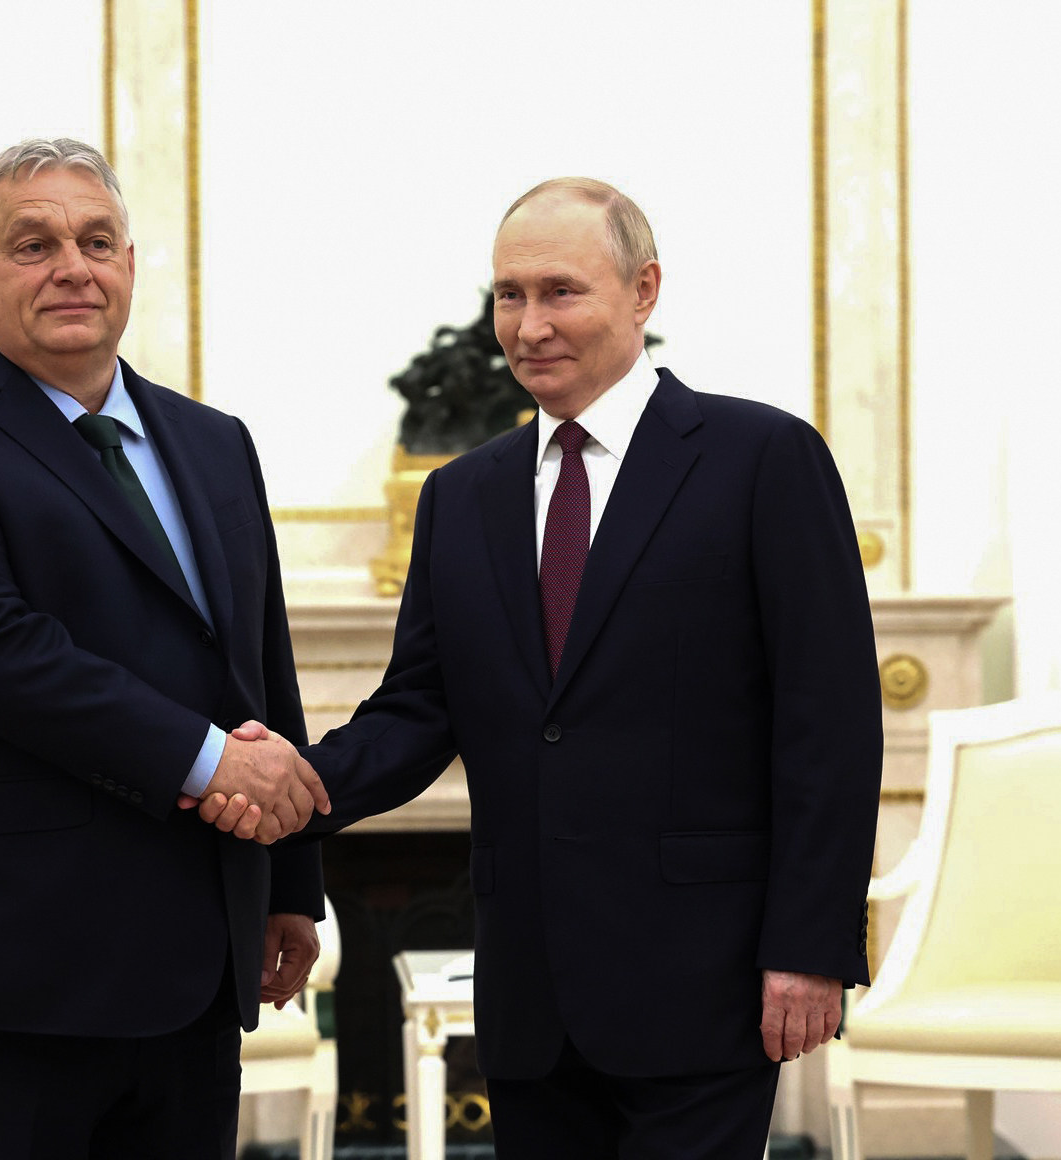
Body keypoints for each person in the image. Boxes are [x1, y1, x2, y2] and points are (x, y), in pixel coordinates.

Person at [194, 178, 882, 1158]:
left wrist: (810, 948)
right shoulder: (460, 498)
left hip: (704, 977)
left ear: (643, 290)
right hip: (530, 992)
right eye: (508, 295)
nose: (528, 324)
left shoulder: (763, 458)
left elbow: (831, 722)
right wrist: (288, 782)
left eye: (561, 290)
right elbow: (418, 710)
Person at [0, 137, 328, 1160]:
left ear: (129, 264)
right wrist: (215, 763)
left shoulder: (214, 440)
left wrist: (287, 881)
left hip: (196, 965)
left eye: (96, 239)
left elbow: (259, 660)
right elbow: (8, 659)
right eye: (33, 243)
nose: (73, 264)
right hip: (1, 979)